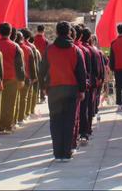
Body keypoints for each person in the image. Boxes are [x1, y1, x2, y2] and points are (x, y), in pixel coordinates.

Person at [40, 21, 86, 162]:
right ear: (69, 33)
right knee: (69, 121)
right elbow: (81, 72)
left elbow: (42, 70)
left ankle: (57, 152)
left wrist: (43, 87)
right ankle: (66, 152)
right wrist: (82, 90)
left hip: (54, 89)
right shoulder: (75, 50)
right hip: (71, 89)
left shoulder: (50, 49)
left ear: (57, 32)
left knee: (55, 121)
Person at [0, 22, 25, 133]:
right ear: (11, 32)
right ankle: (7, 125)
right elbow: (19, 65)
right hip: (12, 78)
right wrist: (21, 79)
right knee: (10, 102)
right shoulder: (15, 46)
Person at [33, 25, 48, 103]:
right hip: (43, 62)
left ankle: (35, 97)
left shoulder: (33, 39)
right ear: (43, 30)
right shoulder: (45, 40)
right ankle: (42, 97)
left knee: (35, 79)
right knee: (42, 79)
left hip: (34, 61)